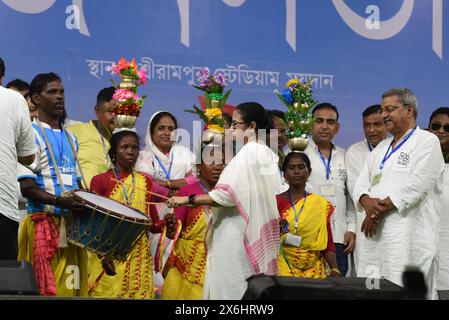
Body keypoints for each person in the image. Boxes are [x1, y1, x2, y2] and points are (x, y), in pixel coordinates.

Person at [167, 102, 280, 300]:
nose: (230, 130)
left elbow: (225, 196)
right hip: (246, 231)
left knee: (231, 293)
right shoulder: (266, 152)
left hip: (236, 237)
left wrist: (187, 199)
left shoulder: (248, 152)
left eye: (235, 125)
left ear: (252, 127)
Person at [353, 88, 444, 299]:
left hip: (407, 237)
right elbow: (361, 184)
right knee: (373, 290)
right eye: (382, 109)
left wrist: (375, 213)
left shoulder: (426, 141)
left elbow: (416, 186)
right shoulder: (381, 147)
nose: (383, 115)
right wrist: (366, 201)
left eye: (389, 109)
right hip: (374, 238)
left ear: (409, 110)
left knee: (405, 291)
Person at [17, 72, 88, 296]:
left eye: (62, 92)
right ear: (36, 98)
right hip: (42, 226)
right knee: (44, 291)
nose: (60, 97)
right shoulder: (30, 134)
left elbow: (77, 183)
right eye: (52, 92)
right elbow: (26, 187)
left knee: (71, 290)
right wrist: (61, 201)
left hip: (72, 228)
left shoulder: (71, 137)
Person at [89, 130, 168, 299]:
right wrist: (102, 257)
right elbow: (92, 225)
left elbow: (152, 226)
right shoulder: (101, 181)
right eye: (124, 147)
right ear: (114, 152)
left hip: (139, 260)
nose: (130, 151)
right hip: (107, 256)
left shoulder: (145, 182)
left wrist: (166, 223)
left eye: (134, 147)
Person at [135, 110, 196, 295]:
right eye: (161, 128)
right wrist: (177, 187)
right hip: (154, 218)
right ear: (151, 132)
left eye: (171, 128)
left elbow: (195, 181)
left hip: (181, 216)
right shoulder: (143, 155)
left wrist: (165, 184)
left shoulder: (185, 154)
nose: (167, 132)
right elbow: (147, 185)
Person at [162, 142, 225, 299]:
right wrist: (171, 229)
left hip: (219, 266)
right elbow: (174, 233)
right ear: (199, 165)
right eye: (211, 162)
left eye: (222, 162)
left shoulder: (227, 192)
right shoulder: (187, 191)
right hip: (185, 269)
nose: (217, 166)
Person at [304, 102, 355, 276]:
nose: (324, 126)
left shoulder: (345, 155)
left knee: (337, 290)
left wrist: (351, 228)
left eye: (330, 122)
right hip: (308, 236)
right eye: (319, 121)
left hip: (339, 236)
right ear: (311, 124)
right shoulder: (298, 152)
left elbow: (350, 195)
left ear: (337, 127)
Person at [277, 152, 340, 278]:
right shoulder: (275, 202)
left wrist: (334, 268)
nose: (296, 171)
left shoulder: (319, 204)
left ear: (309, 172)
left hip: (314, 271)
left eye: (301, 167)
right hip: (283, 267)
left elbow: (327, 241)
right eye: (291, 167)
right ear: (284, 175)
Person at [345, 104, 388, 271]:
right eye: (366, 125)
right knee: (367, 280)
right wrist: (374, 212)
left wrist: (375, 212)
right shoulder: (354, 151)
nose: (371, 130)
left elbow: (393, 187)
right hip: (365, 223)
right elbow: (357, 188)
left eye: (377, 124)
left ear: (387, 124)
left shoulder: (396, 149)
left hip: (390, 219)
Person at [0, 75, 36, 260]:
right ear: (2, 76)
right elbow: (28, 156)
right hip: (2, 210)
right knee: (4, 281)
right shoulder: (14, 99)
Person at [68, 87, 115, 185]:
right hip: (83, 196)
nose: (116, 116)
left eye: (121, 111)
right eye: (111, 111)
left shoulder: (127, 143)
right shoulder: (76, 131)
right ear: (97, 111)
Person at [428, 107, 449, 300]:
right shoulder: (416, 167)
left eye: (447, 128)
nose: (441, 131)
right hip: (418, 263)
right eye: (436, 126)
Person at [268, 109, 289, 194]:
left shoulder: (290, 158)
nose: (280, 135)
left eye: (283, 131)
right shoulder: (256, 159)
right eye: (275, 130)